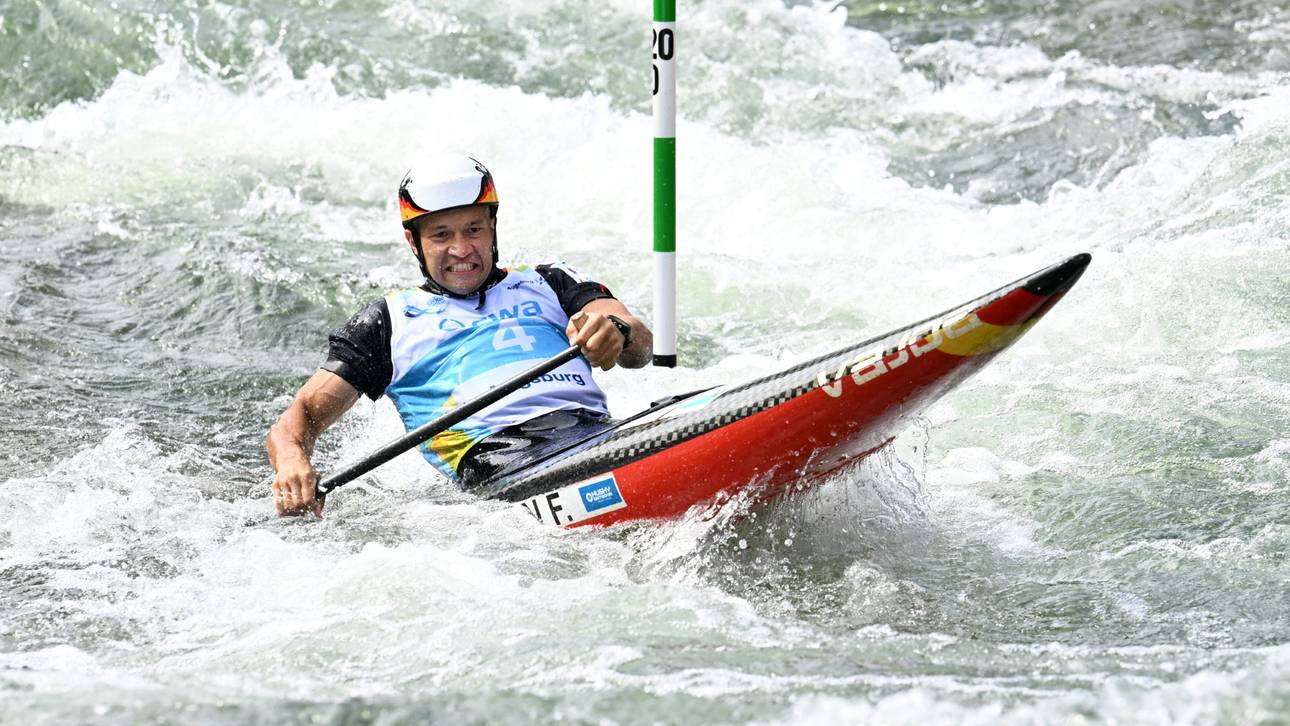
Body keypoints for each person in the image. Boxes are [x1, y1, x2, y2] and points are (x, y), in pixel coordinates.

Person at [267, 154, 652, 516]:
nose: (461, 249)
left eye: (474, 230)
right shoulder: (388, 322)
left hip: (598, 436)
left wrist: (615, 331)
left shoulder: (550, 281)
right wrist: (292, 461)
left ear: (493, 228)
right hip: (505, 471)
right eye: (440, 235)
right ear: (413, 242)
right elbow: (296, 422)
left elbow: (636, 342)